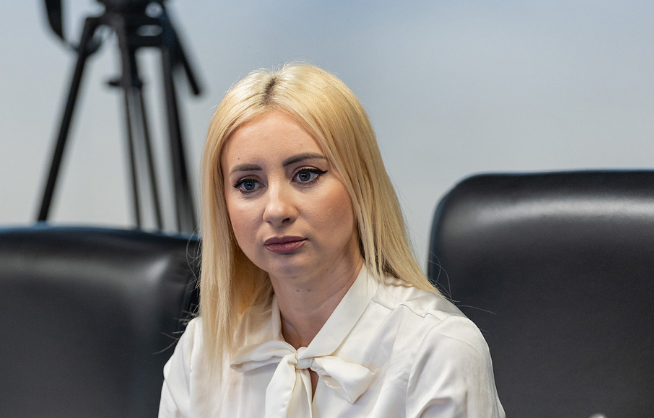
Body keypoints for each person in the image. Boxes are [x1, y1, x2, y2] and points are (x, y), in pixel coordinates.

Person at [159, 63, 505, 418]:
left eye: (306, 175)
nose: (276, 210)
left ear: (361, 185)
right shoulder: (200, 352)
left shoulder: (438, 350)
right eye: (248, 184)